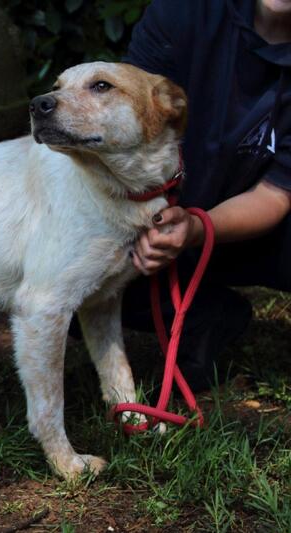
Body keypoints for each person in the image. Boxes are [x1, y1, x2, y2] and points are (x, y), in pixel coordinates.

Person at [121, 0, 291, 391]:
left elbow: (275, 194)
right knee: (70, 284)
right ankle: (205, 316)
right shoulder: (181, 12)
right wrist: (148, 219)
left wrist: (197, 227)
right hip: (155, 213)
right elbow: (125, 124)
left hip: (251, 230)